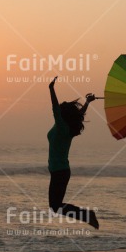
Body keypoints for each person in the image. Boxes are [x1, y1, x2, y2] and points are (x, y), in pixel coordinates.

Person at [47, 76, 99, 229]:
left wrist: (51, 88)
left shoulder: (63, 127)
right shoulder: (66, 128)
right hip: (59, 171)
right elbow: (78, 116)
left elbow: (55, 108)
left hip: (60, 172)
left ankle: (87, 215)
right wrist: (87, 103)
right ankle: (86, 215)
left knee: (55, 207)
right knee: (55, 206)